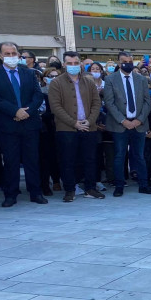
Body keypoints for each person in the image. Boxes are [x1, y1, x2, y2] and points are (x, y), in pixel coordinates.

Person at [47, 51, 105, 202]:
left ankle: (90, 188)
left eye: (76, 63)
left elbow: (96, 103)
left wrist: (90, 121)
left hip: (88, 127)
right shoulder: (56, 83)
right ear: (64, 64)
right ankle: (70, 190)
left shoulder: (89, 82)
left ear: (80, 64)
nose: (73, 66)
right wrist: (74, 123)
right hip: (66, 129)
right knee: (67, 160)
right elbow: (55, 107)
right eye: (70, 63)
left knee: (90, 159)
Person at [0, 41, 46, 206]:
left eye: (13, 53)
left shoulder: (29, 73)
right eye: (7, 54)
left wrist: (26, 112)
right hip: (7, 125)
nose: (11, 56)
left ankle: (35, 193)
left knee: (32, 160)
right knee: (11, 161)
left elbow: (38, 96)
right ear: (1, 56)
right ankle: (10, 195)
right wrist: (15, 111)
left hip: (29, 124)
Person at [103, 51, 151, 197]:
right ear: (119, 63)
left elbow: (147, 101)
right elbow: (109, 102)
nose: (128, 64)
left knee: (139, 155)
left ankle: (143, 185)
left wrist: (139, 120)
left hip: (139, 123)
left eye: (130, 61)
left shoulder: (141, 79)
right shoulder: (110, 79)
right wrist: (123, 121)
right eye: (124, 61)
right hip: (120, 124)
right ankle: (119, 185)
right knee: (120, 156)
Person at [38, 66, 62, 196]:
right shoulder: (40, 92)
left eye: (56, 76)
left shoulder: (63, 91)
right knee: (47, 157)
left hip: (62, 127)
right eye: (51, 76)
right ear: (44, 79)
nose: (54, 79)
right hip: (46, 130)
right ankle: (46, 184)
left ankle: (57, 180)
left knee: (58, 156)